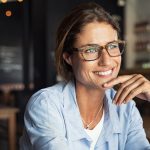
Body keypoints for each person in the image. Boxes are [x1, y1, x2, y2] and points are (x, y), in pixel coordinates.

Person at [20, 2, 150, 150]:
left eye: (113, 46)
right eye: (91, 50)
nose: (106, 61)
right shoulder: (47, 105)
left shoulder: (126, 108)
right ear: (69, 57)